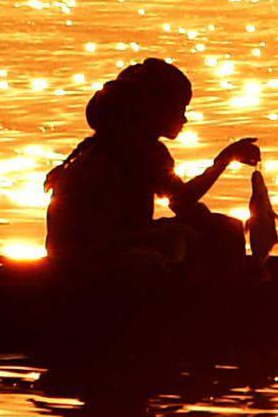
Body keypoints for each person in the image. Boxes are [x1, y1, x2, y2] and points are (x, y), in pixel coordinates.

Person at [48, 58, 266, 270]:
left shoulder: (105, 145)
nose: (184, 119)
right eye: (180, 109)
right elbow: (182, 202)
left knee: (203, 227)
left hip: (73, 252)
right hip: (94, 256)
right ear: (155, 109)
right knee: (217, 232)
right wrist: (224, 160)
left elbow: (180, 203)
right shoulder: (141, 150)